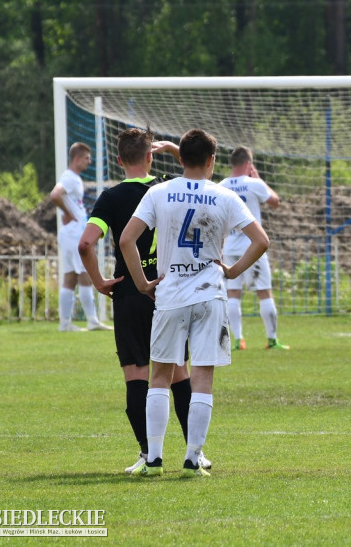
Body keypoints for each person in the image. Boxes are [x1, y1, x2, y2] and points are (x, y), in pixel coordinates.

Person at [121, 128, 270, 477]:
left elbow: (127, 239)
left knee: (159, 375)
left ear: (180, 159)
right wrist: (232, 271)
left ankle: (154, 458)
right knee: (202, 375)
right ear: (212, 161)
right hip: (210, 295)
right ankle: (193, 457)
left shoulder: (159, 192)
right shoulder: (224, 197)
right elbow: (261, 240)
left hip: (170, 294)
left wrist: (143, 284)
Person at [77, 129, 208, 474]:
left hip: (130, 293)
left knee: (136, 375)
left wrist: (100, 281)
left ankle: (147, 452)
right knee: (178, 372)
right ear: (152, 156)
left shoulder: (111, 197)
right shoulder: (166, 187)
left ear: (119, 160)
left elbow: (85, 244)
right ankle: (195, 451)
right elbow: (200, 168)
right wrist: (176, 149)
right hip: (167, 290)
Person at [219, 147, 286, 350]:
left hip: (229, 247)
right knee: (264, 292)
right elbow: (275, 202)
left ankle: (239, 340)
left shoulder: (221, 186)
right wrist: (259, 179)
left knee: (233, 294)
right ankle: (272, 340)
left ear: (232, 164)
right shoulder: (254, 184)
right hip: (253, 247)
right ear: (249, 164)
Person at [50, 142, 110, 332]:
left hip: (69, 233)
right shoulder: (70, 178)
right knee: (85, 274)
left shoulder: (72, 178)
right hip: (74, 232)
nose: (89, 161)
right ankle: (92, 320)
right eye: (86, 158)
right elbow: (55, 195)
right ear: (76, 159)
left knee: (70, 277)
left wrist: (68, 212)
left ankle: (65, 323)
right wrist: (69, 213)